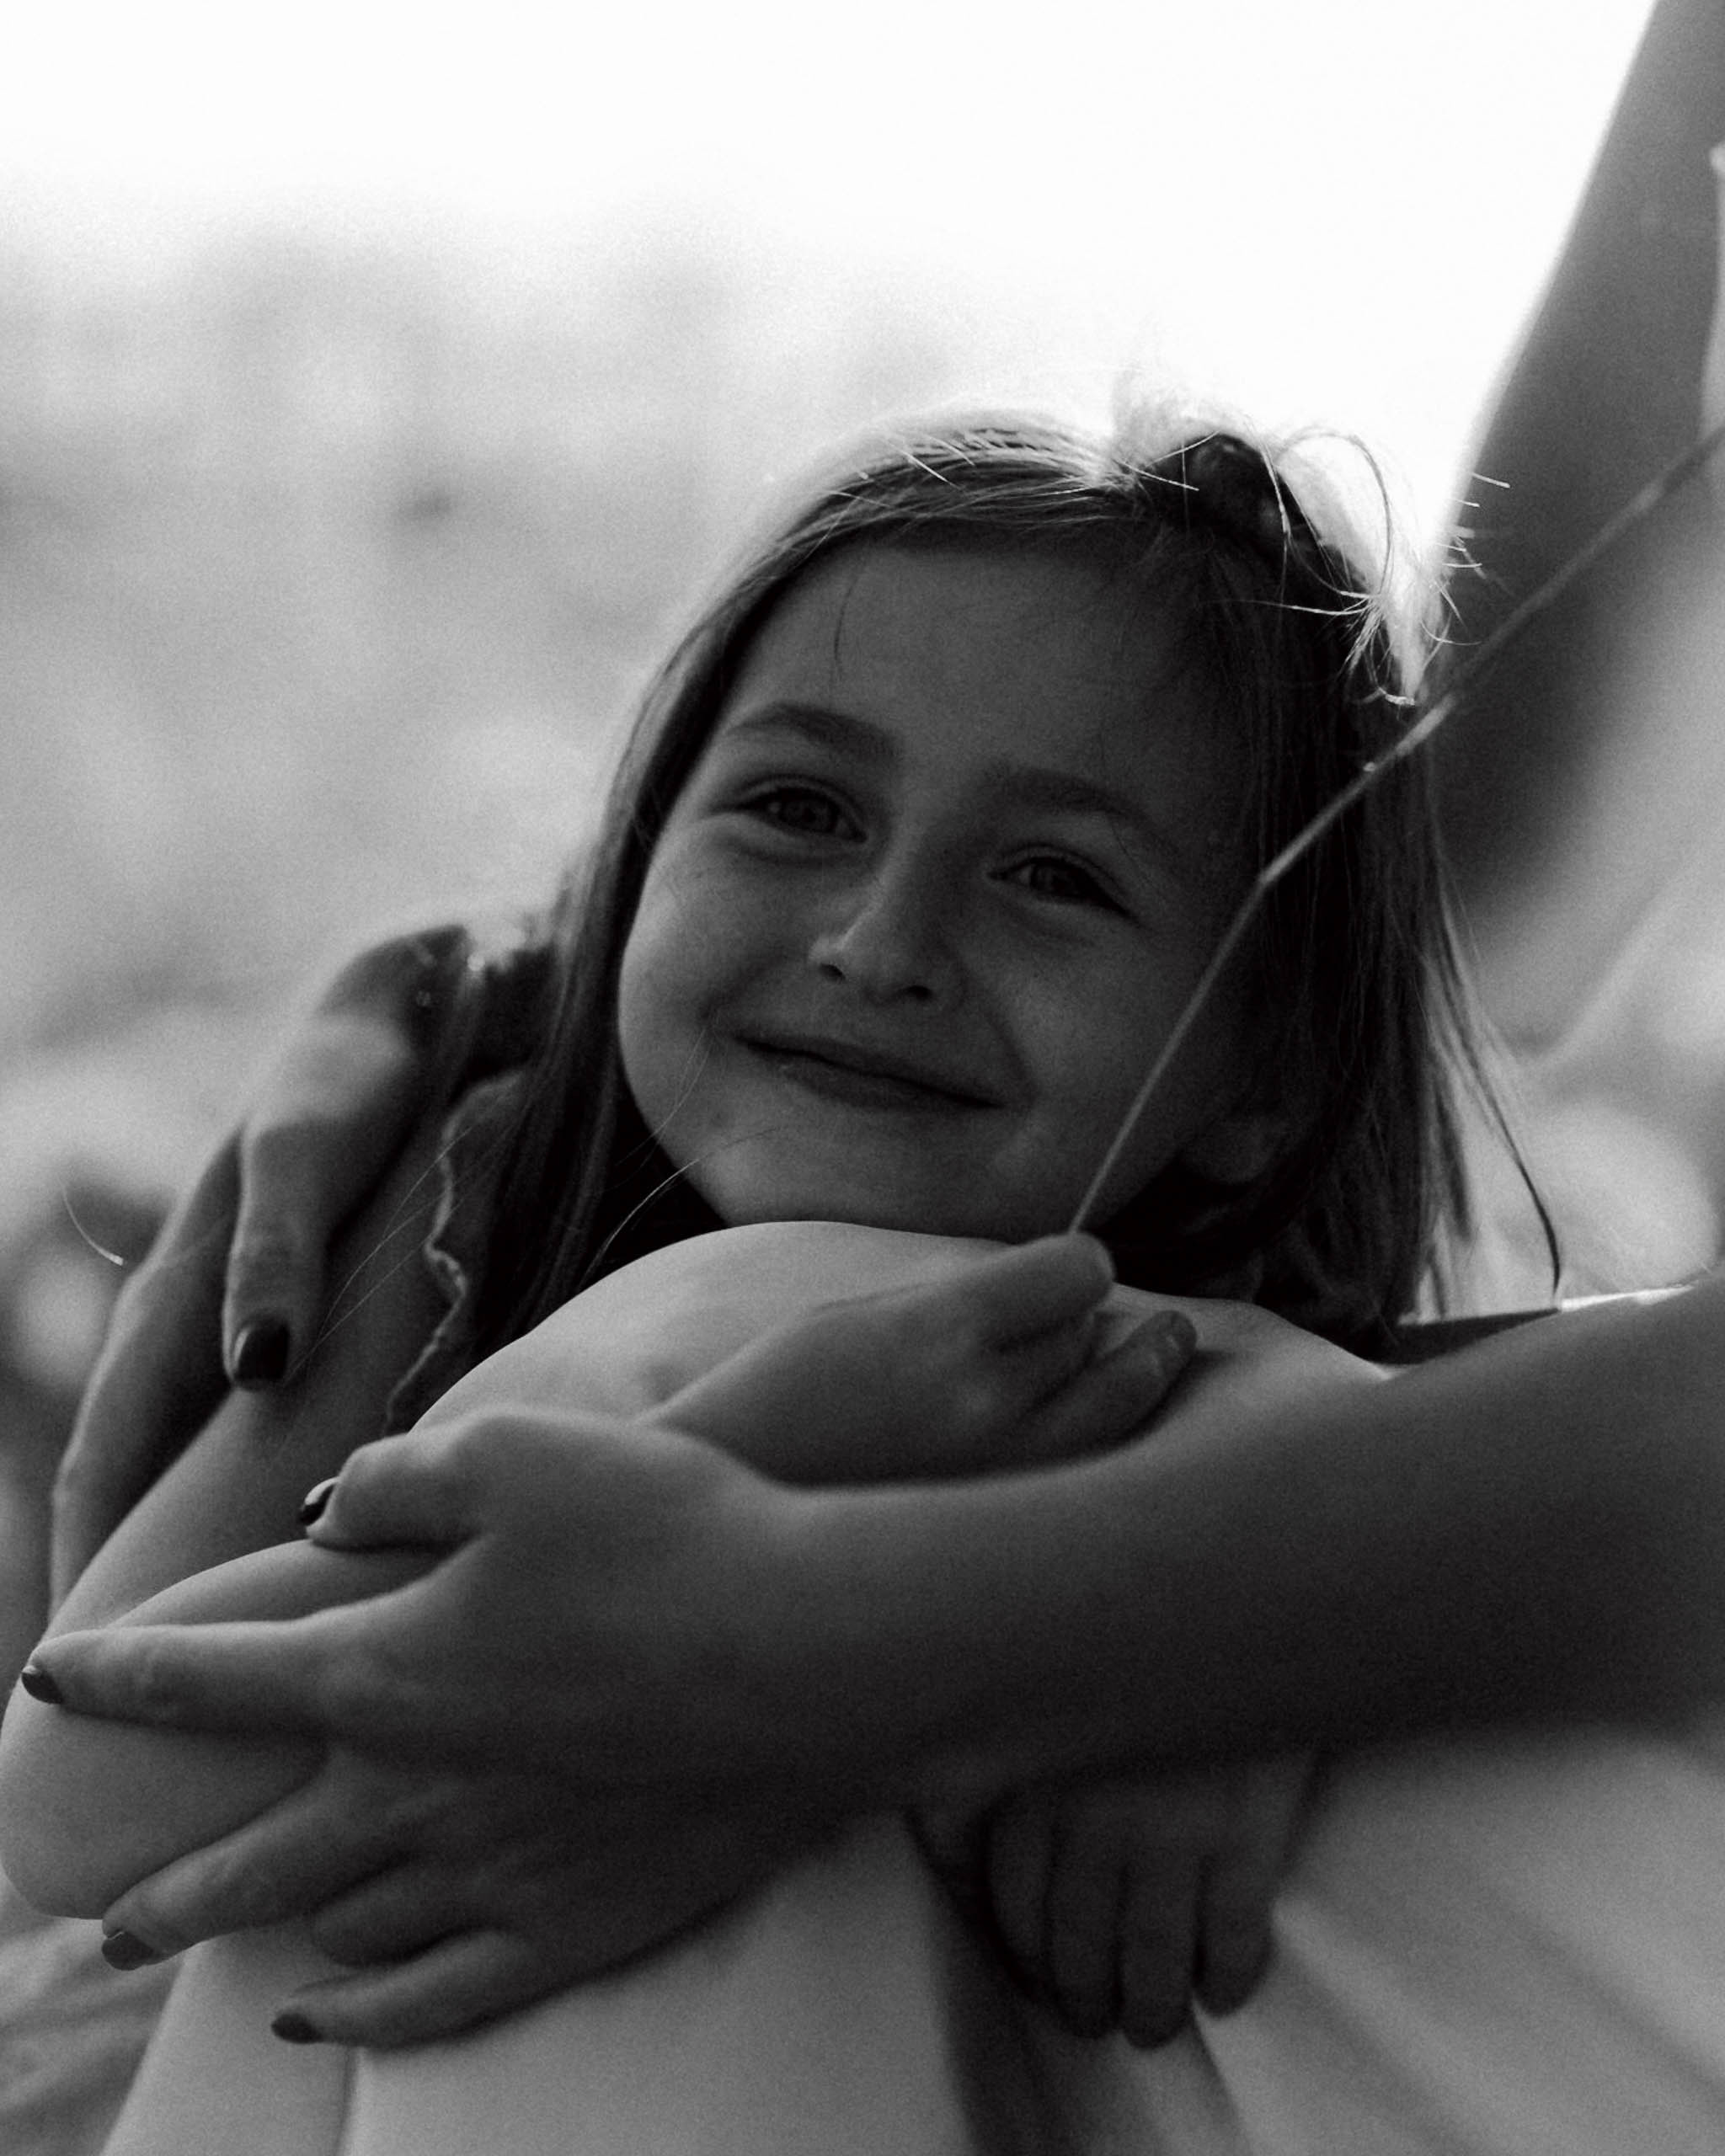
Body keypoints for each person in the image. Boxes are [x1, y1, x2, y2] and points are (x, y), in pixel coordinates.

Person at [0, 403, 1494, 2156]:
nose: (879, 942)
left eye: (1055, 877)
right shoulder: (474, 1191)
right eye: (798, 806)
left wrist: (1221, 1654)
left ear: (1271, 1073)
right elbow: (84, 1796)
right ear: (636, 857)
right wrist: (750, 1457)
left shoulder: (1247, 1449)